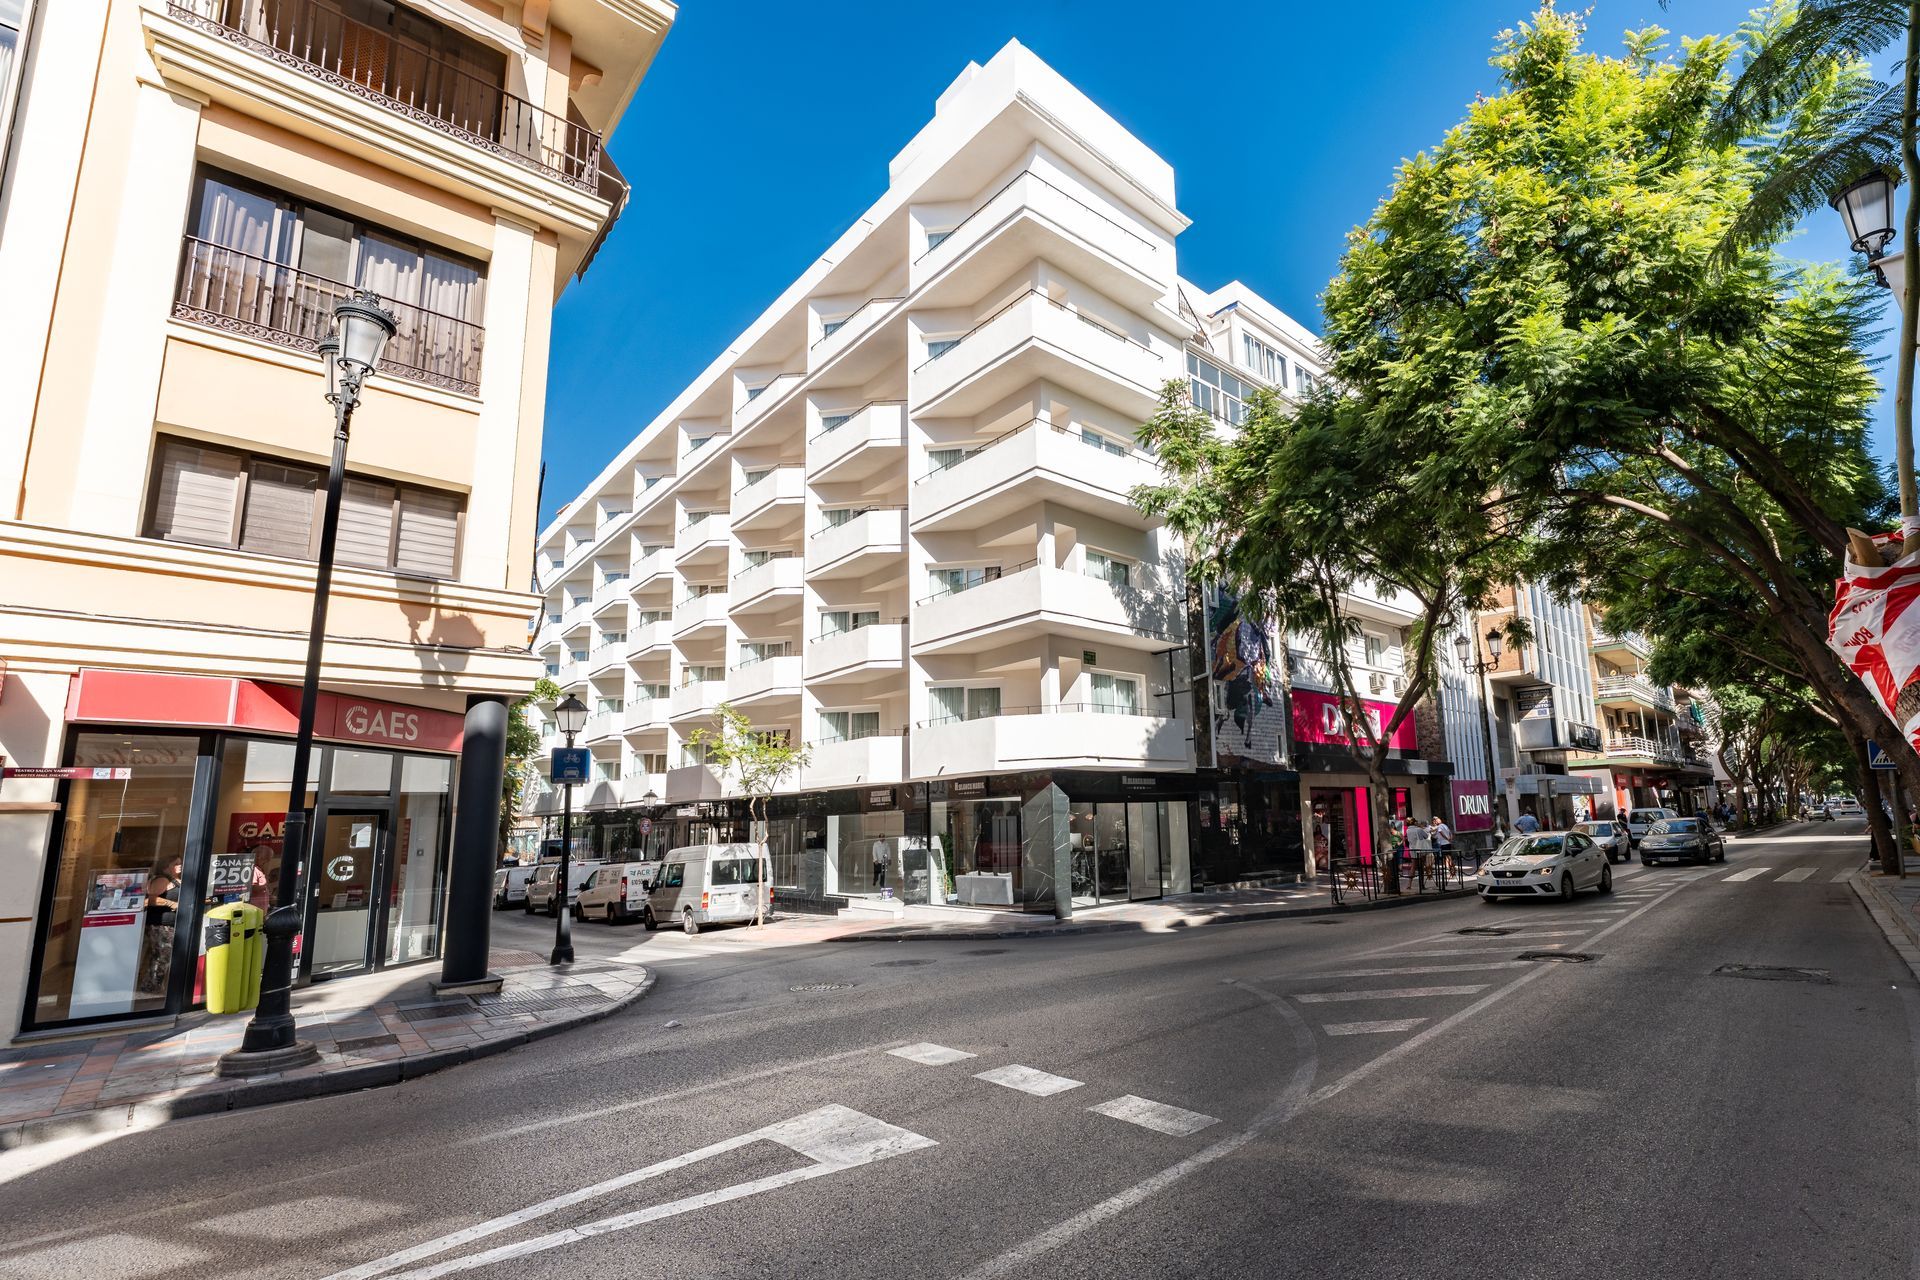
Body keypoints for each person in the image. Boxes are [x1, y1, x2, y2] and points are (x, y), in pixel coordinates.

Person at [139, 857, 182, 997]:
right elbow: (150, 900)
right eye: (176, 863)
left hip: (171, 924)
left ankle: (155, 987)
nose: (180, 865)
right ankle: (150, 988)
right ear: (166, 867)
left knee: (163, 956)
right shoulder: (163, 879)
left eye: (180, 863)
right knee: (161, 956)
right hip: (161, 924)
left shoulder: (177, 880)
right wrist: (171, 904)